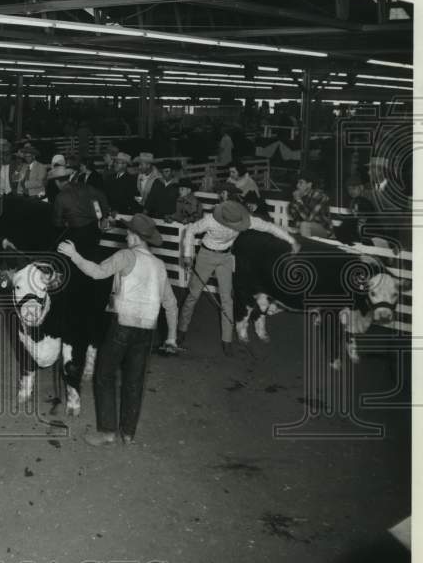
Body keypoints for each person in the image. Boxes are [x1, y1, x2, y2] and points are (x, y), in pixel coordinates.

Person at [57, 214, 178, 446]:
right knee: (134, 381)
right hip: (147, 331)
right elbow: (171, 304)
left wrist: (73, 255)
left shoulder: (126, 256)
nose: (126, 237)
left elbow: (96, 272)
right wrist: (171, 337)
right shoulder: (159, 265)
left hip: (122, 326)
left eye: (128, 233)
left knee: (104, 375)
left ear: (135, 236)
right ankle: (128, 433)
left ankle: (107, 432)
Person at [177, 200, 299, 356]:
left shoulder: (246, 221)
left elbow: (270, 227)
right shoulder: (210, 220)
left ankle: (227, 340)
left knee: (227, 299)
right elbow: (190, 230)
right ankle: (181, 329)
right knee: (193, 295)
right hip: (206, 256)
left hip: (226, 257)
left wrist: (291, 240)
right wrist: (187, 254)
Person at [289, 171, 333, 238]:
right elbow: (294, 216)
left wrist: (298, 200)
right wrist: (295, 201)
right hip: (305, 228)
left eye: (300, 182)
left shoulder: (320, 196)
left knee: (304, 225)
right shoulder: (300, 195)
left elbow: (309, 219)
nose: (297, 185)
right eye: (297, 182)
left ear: (309, 184)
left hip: (324, 230)